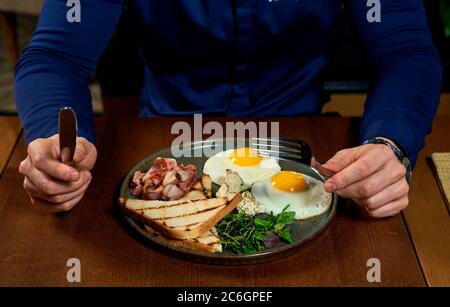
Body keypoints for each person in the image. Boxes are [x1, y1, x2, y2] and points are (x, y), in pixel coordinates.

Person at [15, 0, 442, 217]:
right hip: (163, 140)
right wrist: (56, 144)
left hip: (303, 149)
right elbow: (57, 57)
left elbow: (406, 52)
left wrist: (390, 144)